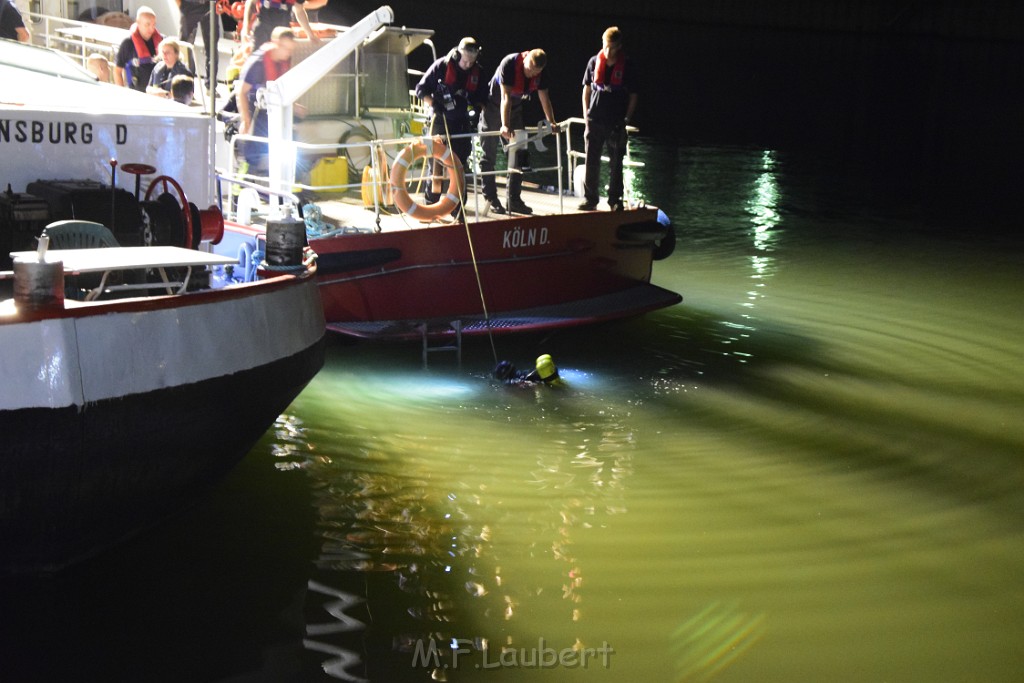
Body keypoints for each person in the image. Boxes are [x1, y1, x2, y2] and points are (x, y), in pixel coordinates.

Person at [414, 37, 488, 215]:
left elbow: (483, 98)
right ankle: (431, 206)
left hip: (462, 122)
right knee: (436, 165)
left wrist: (477, 109)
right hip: (439, 120)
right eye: (465, 60)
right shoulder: (442, 66)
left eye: (471, 61)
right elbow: (420, 89)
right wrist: (433, 103)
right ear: (458, 54)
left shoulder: (477, 72)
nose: (467, 64)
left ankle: (458, 209)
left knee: (460, 165)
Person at [479, 48, 558, 216]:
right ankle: (490, 198)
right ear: (525, 59)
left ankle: (514, 199)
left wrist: (552, 122)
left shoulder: (541, 74)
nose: (530, 73)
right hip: (493, 107)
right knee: (488, 154)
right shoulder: (509, 63)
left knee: (518, 155)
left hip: (515, 109)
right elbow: (505, 97)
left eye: (535, 72)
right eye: (529, 68)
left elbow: (545, 97)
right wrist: (505, 125)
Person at [579, 26, 638, 212]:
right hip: (594, 119)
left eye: (612, 47)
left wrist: (626, 119)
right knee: (591, 159)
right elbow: (586, 90)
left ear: (619, 46)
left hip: (616, 121)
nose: (608, 51)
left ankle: (615, 199)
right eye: (606, 46)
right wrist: (585, 115)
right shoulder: (593, 62)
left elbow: (633, 95)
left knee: (616, 162)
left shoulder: (627, 66)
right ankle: (590, 199)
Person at [236, 26, 297, 171]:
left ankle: (289, 180)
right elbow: (241, 92)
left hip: (272, 108)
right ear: (275, 43)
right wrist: (245, 120)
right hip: (254, 108)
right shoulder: (258, 64)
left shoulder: (283, 60)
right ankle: (242, 182)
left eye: (290, 49)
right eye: (286, 48)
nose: (288, 53)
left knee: (292, 136)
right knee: (254, 148)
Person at [115, 6, 163, 91]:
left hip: (157, 94)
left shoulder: (161, 42)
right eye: (147, 24)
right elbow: (117, 71)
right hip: (136, 94)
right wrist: (121, 94)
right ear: (138, 23)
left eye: (153, 25)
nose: (151, 28)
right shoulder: (127, 43)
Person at [240, 0, 318, 50]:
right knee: (259, 62)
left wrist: (310, 35)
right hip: (263, 28)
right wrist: (245, 27)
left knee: (282, 65)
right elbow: (250, 2)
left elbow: (299, 10)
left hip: (283, 31)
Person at [177, 0, 220, 82]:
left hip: (210, 5)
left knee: (212, 47)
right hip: (189, 6)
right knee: (185, 47)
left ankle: (211, 86)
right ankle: (186, 84)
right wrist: (181, 5)